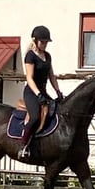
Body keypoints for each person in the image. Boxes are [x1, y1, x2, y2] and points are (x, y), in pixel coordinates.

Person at [19, 25, 64, 159]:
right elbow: (29, 78)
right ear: (35, 41)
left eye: (46, 42)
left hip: (43, 92)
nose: (45, 45)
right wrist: (38, 94)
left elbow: (51, 75)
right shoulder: (30, 56)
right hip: (31, 92)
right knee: (35, 117)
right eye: (42, 42)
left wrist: (58, 91)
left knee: (57, 111)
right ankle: (23, 146)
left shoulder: (47, 56)